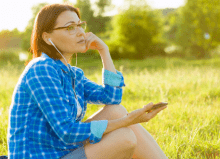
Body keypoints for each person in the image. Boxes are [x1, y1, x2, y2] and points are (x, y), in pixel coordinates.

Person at [7, 3, 168, 159]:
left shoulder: (72, 74)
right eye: (70, 27)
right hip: (43, 155)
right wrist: (126, 121)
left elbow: (112, 98)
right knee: (124, 138)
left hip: (62, 149)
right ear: (47, 38)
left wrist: (103, 50)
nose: (80, 33)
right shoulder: (41, 69)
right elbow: (67, 131)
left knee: (116, 110)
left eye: (80, 25)